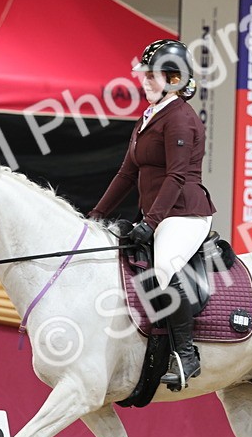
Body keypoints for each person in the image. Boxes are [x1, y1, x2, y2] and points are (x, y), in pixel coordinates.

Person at [88, 39, 216, 390]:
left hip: (185, 213)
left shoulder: (181, 119)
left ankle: (187, 355)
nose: (144, 81)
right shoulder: (149, 117)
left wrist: (150, 222)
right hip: (160, 212)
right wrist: (96, 214)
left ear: (174, 79)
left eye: (151, 75)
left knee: (163, 269)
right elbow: (126, 174)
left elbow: (176, 177)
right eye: (143, 74)